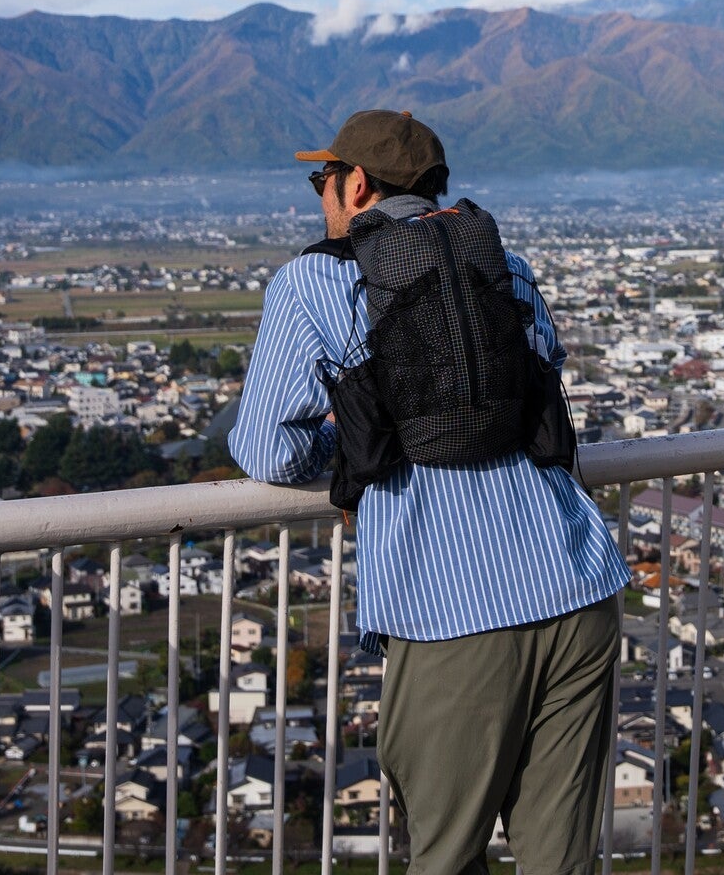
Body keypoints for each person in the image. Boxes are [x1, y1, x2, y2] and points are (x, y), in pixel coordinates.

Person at [230, 109, 630, 875]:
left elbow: (266, 448)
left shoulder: (314, 279)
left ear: (355, 184)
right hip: (578, 583)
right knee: (561, 860)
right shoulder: (503, 265)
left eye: (322, 180)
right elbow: (538, 388)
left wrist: (349, 442)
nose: (321, 196)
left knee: (444, 856)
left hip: (453, 611)